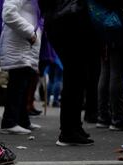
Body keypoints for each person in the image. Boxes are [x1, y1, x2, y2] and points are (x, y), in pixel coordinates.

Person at [39, 0, 97, 146]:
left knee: (76, 75)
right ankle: (69, 131)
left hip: (61, 21)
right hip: (68, 22)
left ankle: (73, 127)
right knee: (75, 76)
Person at [96, 0, 123, 130]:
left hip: (104, 26)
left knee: (106, 71)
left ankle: (103, 116)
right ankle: (118, 117)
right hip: (119, 28)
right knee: (117, 72)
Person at [0, 0, 42, 135]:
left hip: (24, 46)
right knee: (17, 85)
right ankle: (9, 122)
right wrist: (30, 33)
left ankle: (22, 120)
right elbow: (8, 13)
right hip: (18, 45)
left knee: (23, 84)